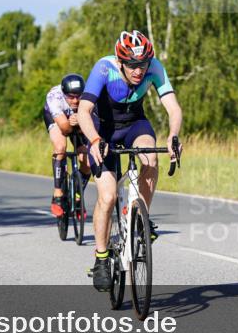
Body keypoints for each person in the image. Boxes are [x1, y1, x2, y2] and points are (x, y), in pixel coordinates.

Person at [76, 30, 182, 292]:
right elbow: (84, 110)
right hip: (104, 130)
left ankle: (140, 220)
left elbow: (173, 108)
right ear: (120, 61)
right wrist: (94, 140)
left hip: (135, 125)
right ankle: (101, 258)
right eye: (133, 65)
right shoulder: (104, 68)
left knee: (151, 158)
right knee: (108, 196)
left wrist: (173, 136)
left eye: (142, 64)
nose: (138, 70)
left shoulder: (154, 68)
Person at [43, 73, 90, 218]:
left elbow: (92, 126)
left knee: (87, 160)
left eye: (78, 96)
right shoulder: (54, 97)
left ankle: (77, 193)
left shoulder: (89, 94)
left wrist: (81, 122)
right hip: (58, 120)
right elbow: (65, 129)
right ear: (64, 94)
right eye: (71, 97)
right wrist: (72, 122)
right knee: (60, 147)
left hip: (77, 121)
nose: (75, 101)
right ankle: (58, 192)